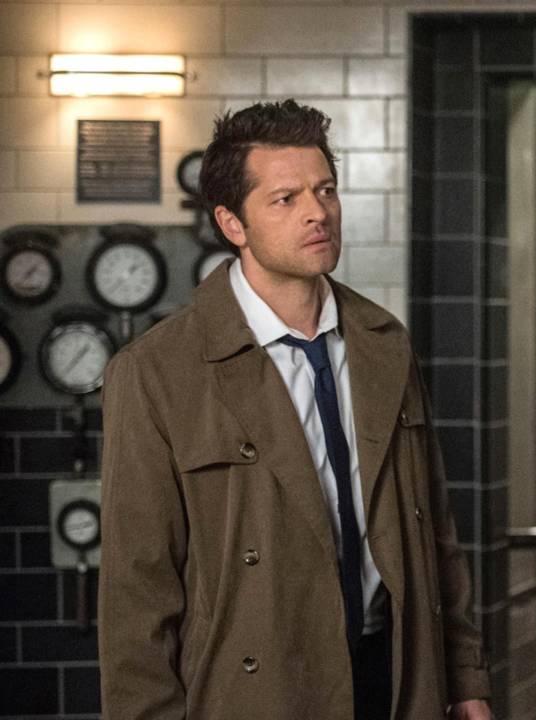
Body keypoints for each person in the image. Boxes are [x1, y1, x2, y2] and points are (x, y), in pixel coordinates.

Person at [98, 100, 492, 720]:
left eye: (325, 190)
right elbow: (136, 588)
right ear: (232, 223)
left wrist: (465, 679)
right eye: (285, 199)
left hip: (395, 674)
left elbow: (435, 530)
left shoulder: (384, 343)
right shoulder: (156, 371)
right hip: (260, 688)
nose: (318, 212)